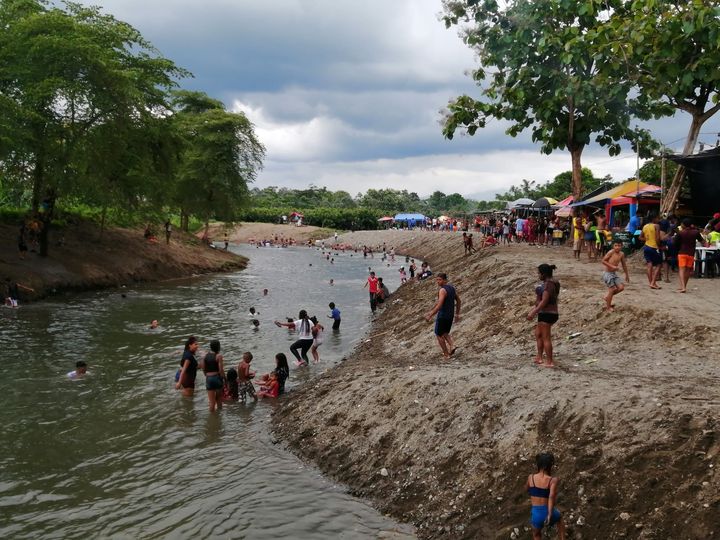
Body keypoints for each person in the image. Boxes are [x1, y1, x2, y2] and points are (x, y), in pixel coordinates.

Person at [527, 264, 560, 368]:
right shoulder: (552, 282)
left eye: (539, 273)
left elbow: (544, 301)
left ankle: (549, 361)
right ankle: (539, 357)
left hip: (547, 313)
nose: (538, 275)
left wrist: (533, 312)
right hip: (547, 313)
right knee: (538, 334)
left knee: (546, 337)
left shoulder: (548, 285)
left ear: (544, 274)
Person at [527, 452, 566, 540]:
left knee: (536, 535)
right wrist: (550, 514)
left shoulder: (530, 477)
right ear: (549, 466)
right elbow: (551, 497)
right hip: (547, 511)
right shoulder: (552, 480)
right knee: (559, 519)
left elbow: (527, 489)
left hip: (536, 514)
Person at [424, 273, 461, 359]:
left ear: (445, 280)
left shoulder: (442, 290)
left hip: (443, 315)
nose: (438, 281)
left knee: (439, 334)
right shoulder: (452, 288)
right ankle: (452, 345)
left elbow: (440, 305)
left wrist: (430, 315)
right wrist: (457, 314)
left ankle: (446, 355)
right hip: (450, 315)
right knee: (445, 332)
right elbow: (459, 301)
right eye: (437, 280)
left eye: (439, 280)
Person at [675, 218, 705, 293]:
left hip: (682, 253)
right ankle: (684, 286)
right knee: (688, 270)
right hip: (691, 253)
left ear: (684, 225)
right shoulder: (695, 232)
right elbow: (702, 241)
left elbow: (675, 243)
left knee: (682, 270)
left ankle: (683, 287)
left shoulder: (681, 233)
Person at [601, 241, 630, 311]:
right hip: (607, 273)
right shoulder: (611, 252)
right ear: (613, 246)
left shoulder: (622, 254)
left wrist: (627, 275)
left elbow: (624, 265)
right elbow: (603, 261)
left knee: (621, 287)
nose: (617, 247)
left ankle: (607, 297)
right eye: (615, 245)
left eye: (619, 245)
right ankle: (608, 307)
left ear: (621, 246)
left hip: (613, 274)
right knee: (612, 289)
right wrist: (612, 266)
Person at [200, 339, 225, 413]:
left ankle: (212, 417)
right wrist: (224, 378)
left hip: (209, 378)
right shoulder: (218, 356)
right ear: (218, 347)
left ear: (211, 347)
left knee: (212, 402)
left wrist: (206, 375)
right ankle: (219, 416)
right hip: (217, 378)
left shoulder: (205, 356)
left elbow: (203, 367)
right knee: (219, 399)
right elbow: (221, 370)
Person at [639, 213, 662, 289]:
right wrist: (659, 246)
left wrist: (647, 239)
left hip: (646, 247)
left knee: (649, 265)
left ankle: (651, 283)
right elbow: (658, 238)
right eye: (658, 218)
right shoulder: (656, 226)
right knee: (659, 264)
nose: (659, 220)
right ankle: (653, 283)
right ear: (654, 218)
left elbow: (640, 237)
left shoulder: (645, 226)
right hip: (654, 247)